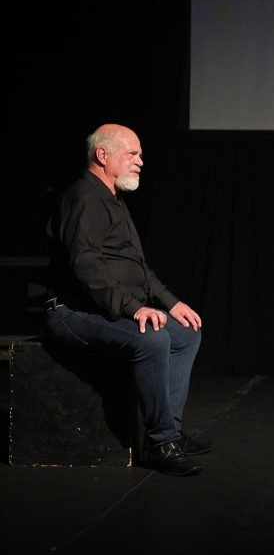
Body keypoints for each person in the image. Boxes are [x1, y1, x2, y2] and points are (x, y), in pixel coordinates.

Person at [43, 123, 210, 476]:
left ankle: (171, 434)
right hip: (73, 313)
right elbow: (86, 267)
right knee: (152, 338)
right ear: (103, 155)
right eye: (132, 153)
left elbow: (139, 268)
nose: (140, 162)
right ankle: (160, 443)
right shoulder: (83, 197)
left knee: (186, 334)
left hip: (103, 309)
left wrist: (171, 302)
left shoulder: (114, 200)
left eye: (140, 155)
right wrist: (135, 308)